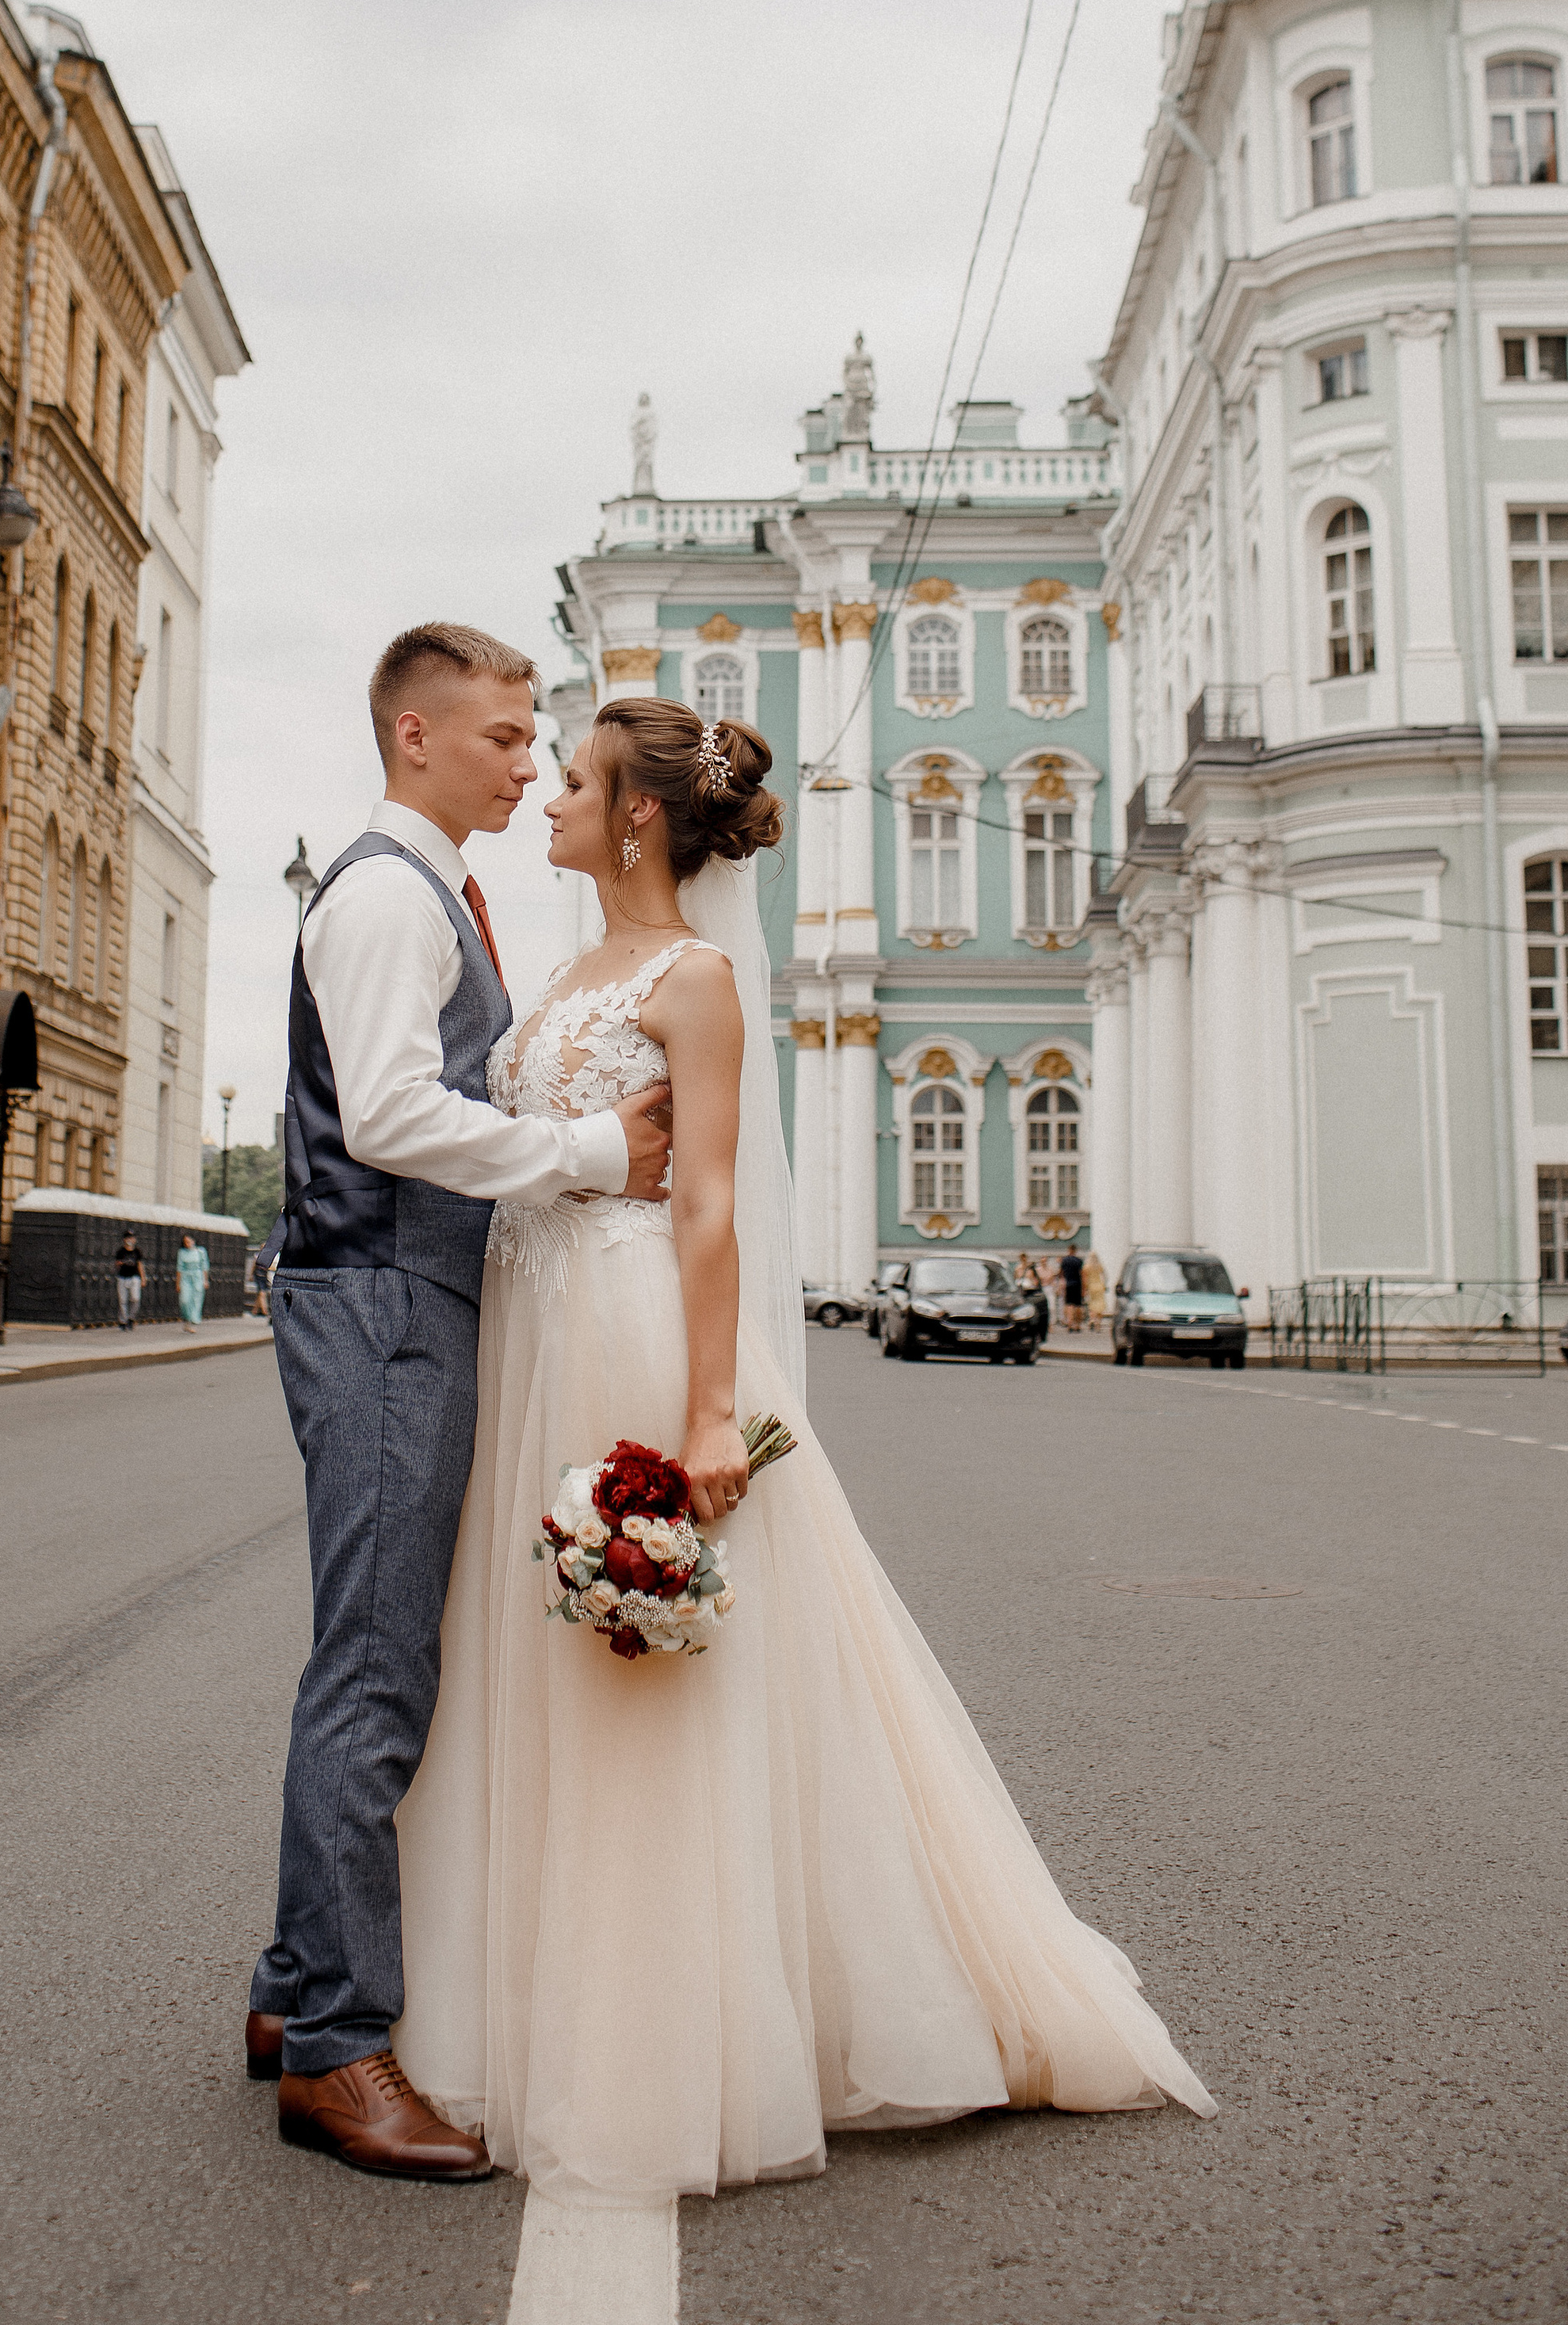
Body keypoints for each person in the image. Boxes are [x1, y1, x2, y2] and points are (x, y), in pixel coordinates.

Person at [393, 697, 1214, 2202]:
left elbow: (707, 1205)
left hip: (629, 1329)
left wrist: (711, 1410)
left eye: (575, 780)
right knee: (531, 1661)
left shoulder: (696, 980)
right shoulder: (568, 966)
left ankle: (663, 2034)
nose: (553, 800)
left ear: (638, 815)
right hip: (532, 1331)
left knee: (642, 1681)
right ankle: (522, 1999)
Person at [246, 624, 674, 2181]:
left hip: (400, 1303)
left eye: (532, 738)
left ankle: (291, 1994)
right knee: (373, 1678)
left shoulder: (427, 890)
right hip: (373, 1308)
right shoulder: (378, 891)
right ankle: (340, 2053)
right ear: (414, 737)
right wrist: (585, 1159)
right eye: (503, 736)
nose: (527, 760)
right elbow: (387, 1112)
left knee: (369, 1661)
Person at [113, 1228, 143, 1333]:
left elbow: (140, 1264)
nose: (130, 1240)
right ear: (125, 1239)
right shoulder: (121, 1251)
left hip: (134, 1277)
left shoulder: (137, 1251)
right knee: (123, 1300)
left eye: (132, 1238)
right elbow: (116, 1264)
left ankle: (131, 1318)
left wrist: (143, 1278)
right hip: (123, 1277)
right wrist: (120, 1263)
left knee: (135, 1298)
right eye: (128, 1238)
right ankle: (123, 1321)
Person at [177, 1232, 208, 1327]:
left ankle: (194, 1318)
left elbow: (204, 1266)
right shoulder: (182, 1252)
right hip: (186, 1277)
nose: (187, 1244)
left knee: (196, 1298)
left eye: (189, 1242)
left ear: (193, 1241)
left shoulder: (201, 1251)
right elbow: (179, 1268)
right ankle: (187, 1317)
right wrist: (178, 1283)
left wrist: (205, 1280)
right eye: (185, 1242)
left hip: (198, 1276)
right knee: (185, 1299)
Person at [1062, 1242, 1086, 1331]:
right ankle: (1078, 1325)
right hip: (1077, 1284)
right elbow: (1082, 1274)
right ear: (1075, 1251)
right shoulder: (1079, 1261)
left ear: (1069, 1250)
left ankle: (1070, 1323)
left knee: (1069, 1305)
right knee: (1078, 1305)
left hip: (1068, 1284)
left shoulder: (1064, 1261)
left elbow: (1062, 1274)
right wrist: (1084, 1288)